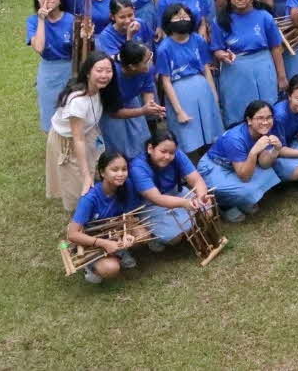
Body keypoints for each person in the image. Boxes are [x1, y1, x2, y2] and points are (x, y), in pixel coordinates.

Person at [196, 100, 298, 223]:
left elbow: (265, 164)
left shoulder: (265, 130)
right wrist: (254, 152)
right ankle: (224, 204)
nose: (265, 122)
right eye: (260, 118)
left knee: (269, 173)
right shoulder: (235, 138)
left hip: (236, 165)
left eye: (269, 117)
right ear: (249, 120)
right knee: (247, 190)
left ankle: (240, 200)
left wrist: (276, 150)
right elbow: (245, 177)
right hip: (214, 166)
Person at [210, 0, 286, 126]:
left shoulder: (265, 17)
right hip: (235, 71)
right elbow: (216, 49)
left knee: (266, 109)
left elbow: (276, 47)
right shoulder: (220, 21)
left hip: (263, 67)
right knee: (239, 112)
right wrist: (223, 55)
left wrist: (282, 76)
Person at [45, 51, 115, 211]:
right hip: (69, 141)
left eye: (108, 71)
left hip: (88, 133)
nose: (104, 75)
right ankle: (80, 219)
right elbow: (78, 139)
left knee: (95, 170)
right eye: (99, 70)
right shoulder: (78, 102)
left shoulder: (98, 90)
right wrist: (85, 176)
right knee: (78, 184)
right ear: (88, 72)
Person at [156, 4, 224, 154]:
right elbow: (165, 81)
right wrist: (179, 111)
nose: (182, 19)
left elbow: (206, 68)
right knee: (188, 138)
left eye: (185, 16)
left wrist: (214, 95)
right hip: (180, 93)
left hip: (203, 89)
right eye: (177, 16)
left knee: (211, 134)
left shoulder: (198, 40)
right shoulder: (164, 48)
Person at [66, 151, 141, 283]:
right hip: (92, 239)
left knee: (141, 234)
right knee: (111, 268)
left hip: (113, 231)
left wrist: (127, 233)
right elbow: (72, 234)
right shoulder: (90, 198)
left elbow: (128, 214)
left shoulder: (127, 185)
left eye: (124, 169)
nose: (121, 174)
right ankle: (91, 267)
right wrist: (104, 243)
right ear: (102, 172)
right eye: (114, 170)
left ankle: (118, 251)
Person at [129, 130, 211, 249]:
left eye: (171, 153)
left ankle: (186, 224)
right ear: (150, 148)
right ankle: (154, 235)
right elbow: (157, 198)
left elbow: (197, 180)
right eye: (163, 151)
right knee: (174, 236)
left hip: (174, 191)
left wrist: (201, 197)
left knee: (207, 210)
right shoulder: (138, 167)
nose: (167, 156)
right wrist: (185, 203)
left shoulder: (177, 154)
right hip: (149, 202)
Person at [99, 40, 165, 159]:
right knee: (118, 149)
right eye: (146, 61)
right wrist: (143, 111)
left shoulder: (146, 68)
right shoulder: (111, 75)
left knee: (142, 141)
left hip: (131, 101)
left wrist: (151, 105)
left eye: (151, 56)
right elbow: (113, 112)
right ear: (132, 67)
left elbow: (148, 88)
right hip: (109, 110)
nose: (150, 62)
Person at [27, 0, 75, 131]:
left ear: (60, 0)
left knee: (72, 110)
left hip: (70, 67)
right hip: (48, 70)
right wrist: (42, 19)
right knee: (49, 111)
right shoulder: (33, 21)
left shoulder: (72, 20)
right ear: (38, 0)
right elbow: (39, 47)